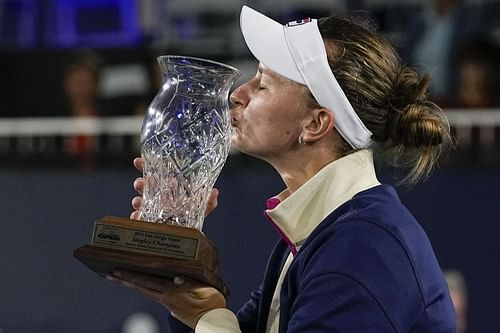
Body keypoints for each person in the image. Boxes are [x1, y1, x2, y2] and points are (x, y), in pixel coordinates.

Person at [107, 6, 456, 332]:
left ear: (315, 124)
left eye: (261, 84)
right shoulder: (321, 235)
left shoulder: (363, 249)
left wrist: (206, 315)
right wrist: (188, 280)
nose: (237, 94)